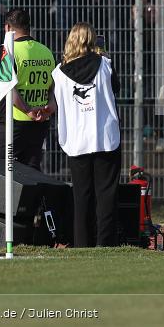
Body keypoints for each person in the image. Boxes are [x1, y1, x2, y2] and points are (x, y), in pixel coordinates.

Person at [51, 22, 121, 247]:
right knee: (106, 194)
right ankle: (105, 242)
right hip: (105, 138)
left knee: (81, 195)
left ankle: (82, 242)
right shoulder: (105, 65)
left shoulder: (59, 73)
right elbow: (116, 89)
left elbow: (55, 101)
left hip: (77, 140)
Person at [0, 8, 56, 170]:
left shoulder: (7, 51)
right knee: (30, 176)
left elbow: (7, 87)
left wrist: (27, 109)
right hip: (38, 124)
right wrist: (50, 107)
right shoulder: (46, 52)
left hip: (9, 123)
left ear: (7, 28)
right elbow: (52, 86)